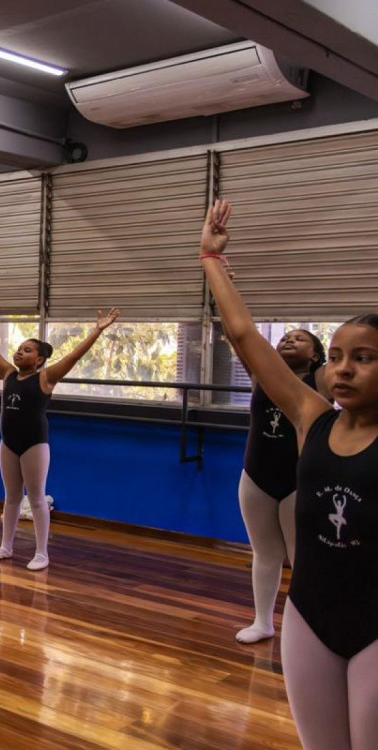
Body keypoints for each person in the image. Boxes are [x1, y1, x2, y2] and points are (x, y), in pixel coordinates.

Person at [201, 199, 376, 749]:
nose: (343, 368)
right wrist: (209, 256)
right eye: (339, 356)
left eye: (365, 357)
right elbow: (245, 336)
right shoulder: (312, 419)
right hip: (308, 620)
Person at [0, 302, 120, 570]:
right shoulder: (7, 374)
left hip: (34, 445)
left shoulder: (45, 378)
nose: (19, 352)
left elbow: (73, 357)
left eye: (27, 350)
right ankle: (6, 546)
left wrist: (97, 332)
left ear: (38, 359)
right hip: (8, 443)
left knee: (36, 498)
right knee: (11, 496)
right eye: (18, 349)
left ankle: (41, 553)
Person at [229, 326, 332, 644]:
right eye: (284, 337)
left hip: (299, 481)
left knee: (301, 557)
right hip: (255, 477)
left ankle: (308, 629)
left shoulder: (323, 380)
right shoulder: (262, 375)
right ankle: (263, 622)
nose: (289, 339)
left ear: (315, 356)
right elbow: (238, 335)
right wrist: (225, 290)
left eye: (300, 338)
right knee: (265, 554)